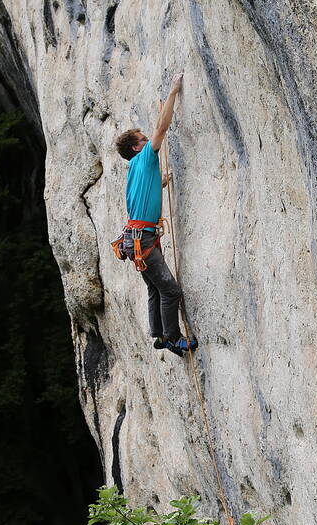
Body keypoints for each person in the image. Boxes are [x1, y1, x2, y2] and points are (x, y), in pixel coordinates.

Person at [112, 72, 197, 356]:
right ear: (137, 147)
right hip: (143, 240)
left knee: (154, 288)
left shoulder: (135, 169)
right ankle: (173, 339)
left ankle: (159, 335)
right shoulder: (145, 157)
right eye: (143, 139)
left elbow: (140, 196)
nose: (149, 141)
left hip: (133, 239)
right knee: (170, 290)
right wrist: (173, 92)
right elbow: (162, 128)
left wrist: (161, 183)